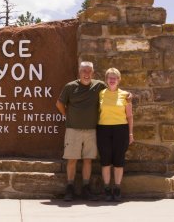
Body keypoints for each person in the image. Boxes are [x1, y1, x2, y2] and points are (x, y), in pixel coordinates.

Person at [56, 61, 106, 201]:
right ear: (79, 72)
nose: (86, 74)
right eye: (84, 71)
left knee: (88, 160)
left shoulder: (99, 86)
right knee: (72, 160)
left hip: (91, 130)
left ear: (93, 73)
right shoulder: (70, 87)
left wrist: (128, 96)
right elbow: (59, 103)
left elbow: (112, 93)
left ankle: (85, 188)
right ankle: (70, 188)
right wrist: (66, 115)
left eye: (89, 71)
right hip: (73, 129)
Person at [97, 68, 134, 202]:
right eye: (110, 78)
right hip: (103, 130)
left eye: (115, 78)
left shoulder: (125, 95)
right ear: (106, 80)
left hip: (121, 130)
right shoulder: (100, 93)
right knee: (105, 160)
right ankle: (107, 188)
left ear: (119, 80)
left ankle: (117, 188)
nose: (112, 80)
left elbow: (129, 116)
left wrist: (130, 133)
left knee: (119, 160)